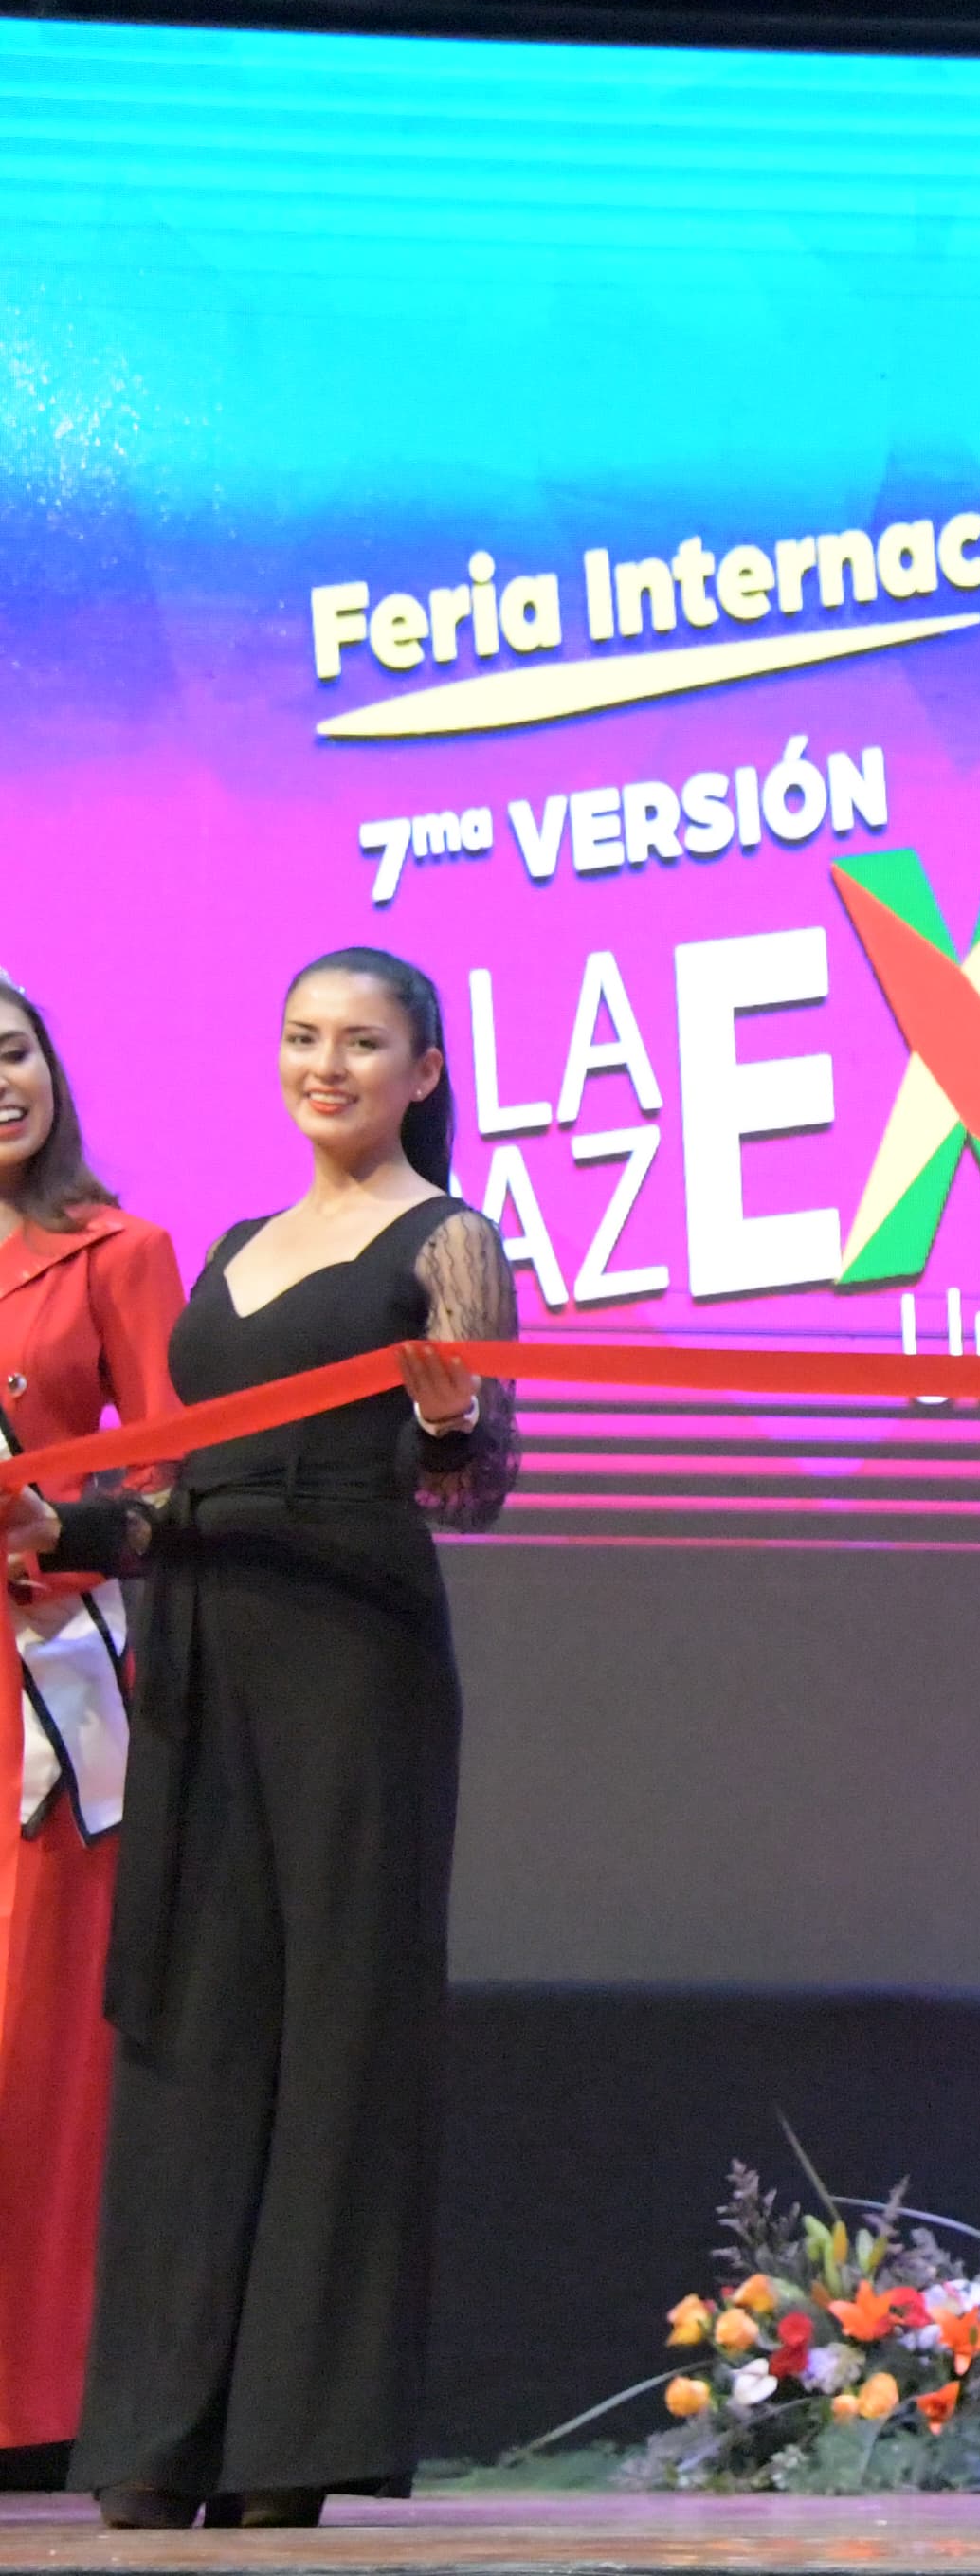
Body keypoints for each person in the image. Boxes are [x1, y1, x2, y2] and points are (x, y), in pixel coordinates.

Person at [8, 946, 517, 2530]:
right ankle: (161, 2427)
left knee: (337, 2024)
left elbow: (476, 1487)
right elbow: (177, 1499)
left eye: (362, 1041)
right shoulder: (232, 1248)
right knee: (193, 2012)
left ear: (424, 1072)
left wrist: (446, 1419)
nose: (327, 1066)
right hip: (204, 1648)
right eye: (304, 1036)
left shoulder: (449, 1237)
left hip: (351, 1653)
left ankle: (292, 2442)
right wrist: (63, 1525)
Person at [0, 979, 181, 2465]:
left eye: (11, 1053)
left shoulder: (118, 1251)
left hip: (44, 1695)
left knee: (37, 2049)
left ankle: (36, 2404)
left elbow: (183, 1474)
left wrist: (63, 1530)